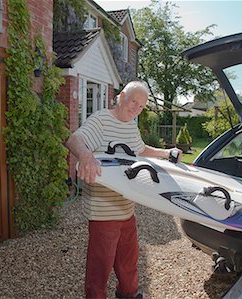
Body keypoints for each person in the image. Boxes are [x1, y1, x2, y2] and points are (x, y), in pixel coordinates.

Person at [66, 81, 182, 299]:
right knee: (100, 268)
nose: (135, 108)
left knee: (128, 262)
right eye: (133, 101)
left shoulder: (131, 126)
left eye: (141, 107)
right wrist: (86, 155)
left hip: (126, 208)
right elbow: (74, 139)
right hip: (103, 212)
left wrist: (167, 153)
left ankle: (128, 295)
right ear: (121, 96)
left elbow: (142, 150)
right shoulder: (101, 120)